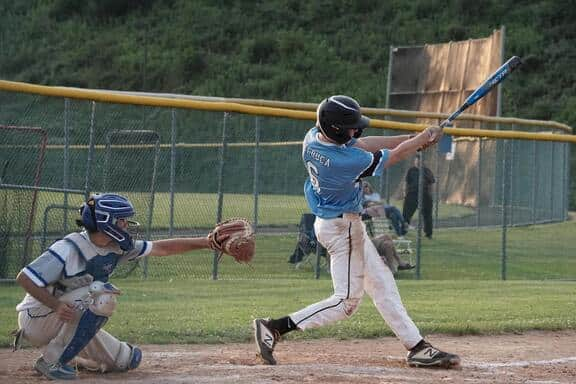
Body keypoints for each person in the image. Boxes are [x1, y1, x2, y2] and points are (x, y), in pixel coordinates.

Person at [253, 95, 460, 369]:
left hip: (336, 224)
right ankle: (275, 327)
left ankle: (417, 347)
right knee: (346, 302)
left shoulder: (313, 138)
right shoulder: (343, 162)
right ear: (336, 129)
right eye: (349, 127)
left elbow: (362, 144)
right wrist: (419, 140)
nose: (355, 131)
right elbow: (392, 156)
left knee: (383, 283)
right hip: (343, 230)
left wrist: (414, 137)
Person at [13, 193, 222, 380]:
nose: (126, 225)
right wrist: (56, 305)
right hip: (39, 317)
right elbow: (24, 278)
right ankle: (52, 361)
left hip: (70, 315)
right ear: (106, 222)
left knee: (126, 359)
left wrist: (207, 242)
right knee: (103, 294)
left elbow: (162, 248)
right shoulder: (69, 248)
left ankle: (72, 357)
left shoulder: (116, 248)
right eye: (122, 220)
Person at [403, 156, 435, 239]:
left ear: (423, 162)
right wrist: (405, 193)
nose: (418, 162)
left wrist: (430, 195)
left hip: (425, 195)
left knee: (427, 215)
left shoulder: (427, 171)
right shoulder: (411, 171)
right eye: (416, 161)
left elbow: (431, 184)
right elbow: (406, 183)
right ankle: (403, 231)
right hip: (412, 194)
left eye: (420, 161)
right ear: (415, 161)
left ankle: (428, 233)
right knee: (406, 214)